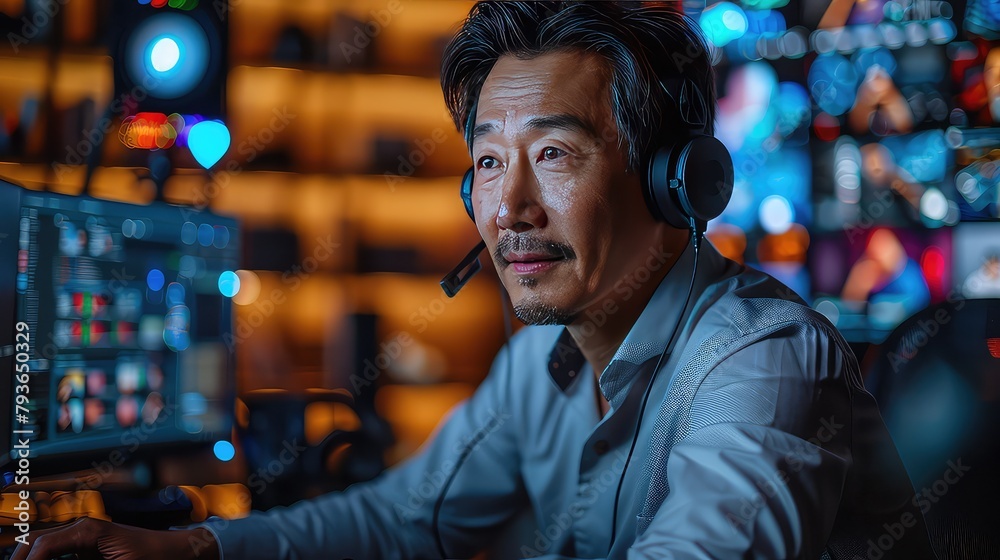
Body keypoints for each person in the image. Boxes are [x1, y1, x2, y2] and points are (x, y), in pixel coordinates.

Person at [15, 3, 936, 559]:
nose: (508, 209)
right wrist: (194, 547)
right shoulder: (545, 360)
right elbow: (410, 520)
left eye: (554, 155)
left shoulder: (764, 360)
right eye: (488, 164)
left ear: (678, 181)